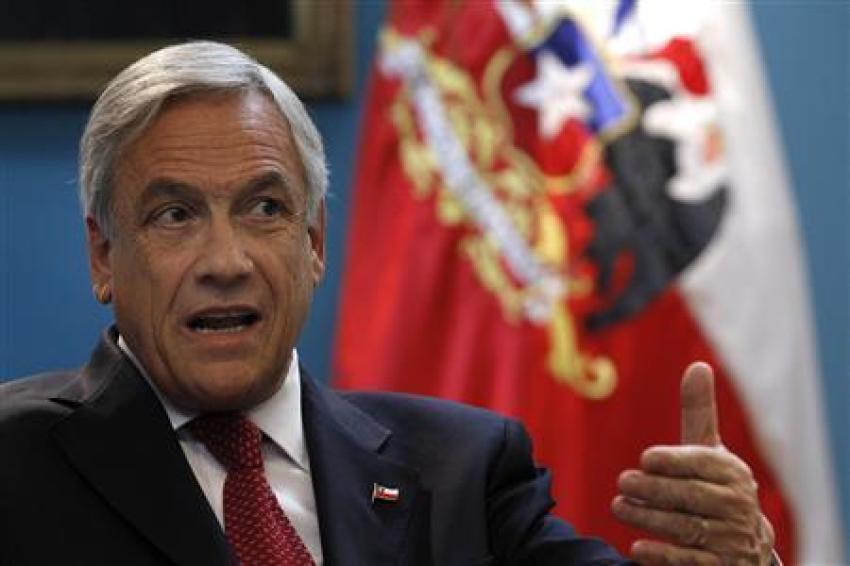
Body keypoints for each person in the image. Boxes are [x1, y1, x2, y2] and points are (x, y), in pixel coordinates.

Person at [0, 41, 775, 565]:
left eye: (265, 209)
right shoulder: (16, 463)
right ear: (104, 254)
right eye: (175, 216)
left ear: (314, 242)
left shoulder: (466, 473)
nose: (227, 261)